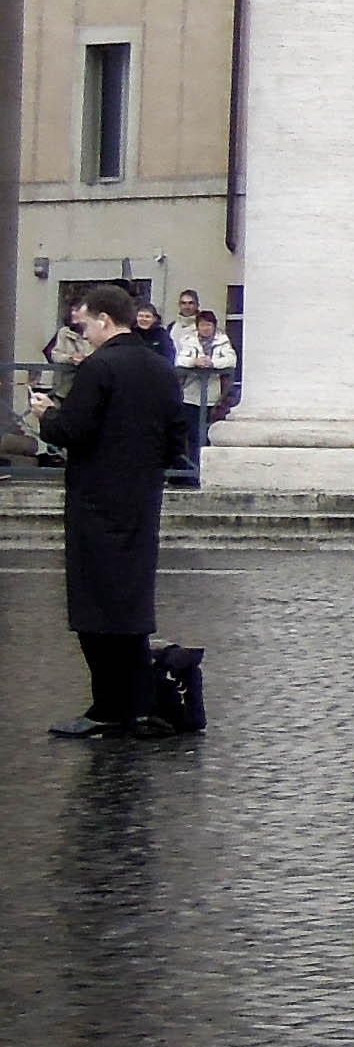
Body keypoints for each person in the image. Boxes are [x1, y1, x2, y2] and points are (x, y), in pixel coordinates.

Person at [35, 283, 187, 739]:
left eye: (85, 325)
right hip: (141, 498)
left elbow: (74, 429)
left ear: (105, 320)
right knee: (131, 604)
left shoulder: (100, 367)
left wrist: (45, 414)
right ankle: (137, 706)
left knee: (95, 605)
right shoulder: (161, 369)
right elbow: (176, 439)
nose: (83, 334)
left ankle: (107, 707)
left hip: (96, 500)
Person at [168, 291, 237, 470]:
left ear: (214, 326)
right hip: (191, 394)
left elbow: (231, 360)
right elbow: (179, 359)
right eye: (202, 325)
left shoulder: (222, 341)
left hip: (213, 395)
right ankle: (192, 470)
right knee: (191, 433)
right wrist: (194, 362)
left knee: (208, 433)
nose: (205, 328)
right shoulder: (188, 340)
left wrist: (212, 362)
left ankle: (207, 470)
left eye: (208, 325)